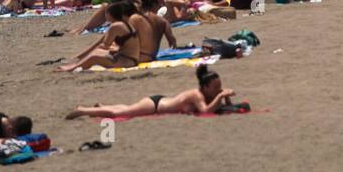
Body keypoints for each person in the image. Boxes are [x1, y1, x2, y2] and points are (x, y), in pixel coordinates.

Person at [66, 64, 238, 119]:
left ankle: (101, 106)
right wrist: (222, 95)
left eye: (219, 86)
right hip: (156, 106)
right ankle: (83, 110)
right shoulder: (197, 95)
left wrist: (225, 98)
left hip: (159, 101)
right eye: (215, 87)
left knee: (127, 107)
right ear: (205, 87)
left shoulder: (208, 94)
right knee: (125, 113)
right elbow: (206, 111)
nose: (217, 90)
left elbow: (218, 106)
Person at [58, 0, 141, 71]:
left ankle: (72, 68)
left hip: (126, 61)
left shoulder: (115, 26)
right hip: (131, 58)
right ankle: (76, 65)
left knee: (94, 57)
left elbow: (105, 45)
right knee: (98, 53)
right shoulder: (126, 23)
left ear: (111, 14)